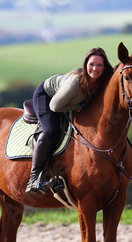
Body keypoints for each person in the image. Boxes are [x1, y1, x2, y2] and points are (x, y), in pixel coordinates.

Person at [26, 47, 114, 194]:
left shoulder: (102, 81)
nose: (95, 68)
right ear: (85, 65)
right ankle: (34, 179)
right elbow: (54, 106)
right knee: (50, 130)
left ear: (104, 67)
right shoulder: (75, 83)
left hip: (66, 101)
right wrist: (81, 105)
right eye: (91, 64)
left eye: (99, 65)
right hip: (47, 97)